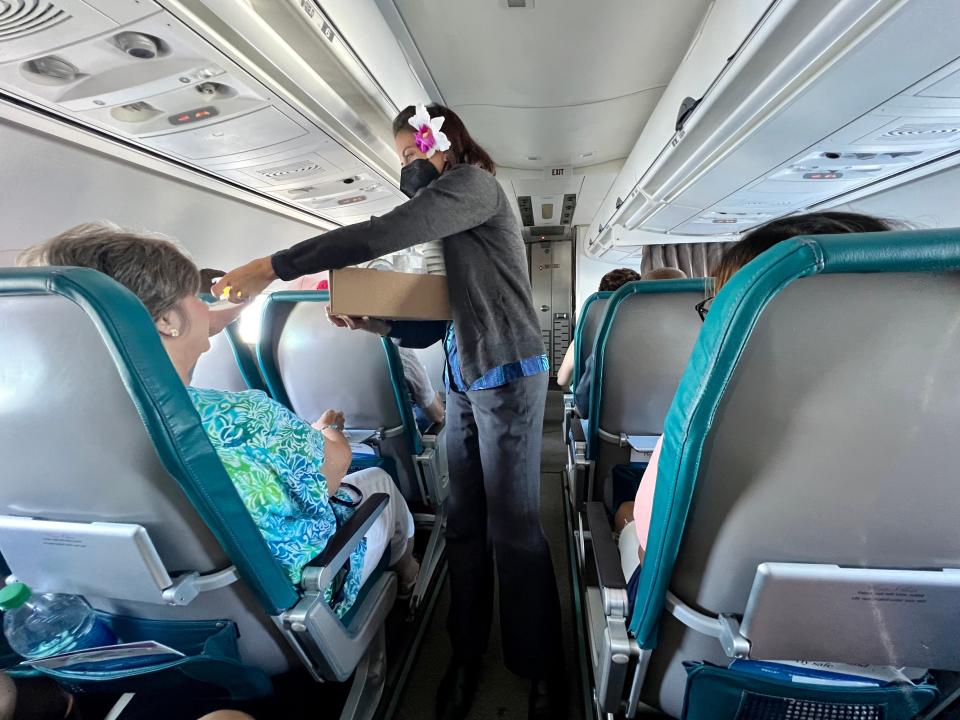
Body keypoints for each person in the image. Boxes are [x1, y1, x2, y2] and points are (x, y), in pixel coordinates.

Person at [210, 103, 564, 720]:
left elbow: (381, 232)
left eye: (411, 152)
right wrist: (377, 323)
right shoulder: (447, 218)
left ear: (441, 141)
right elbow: (436, 323)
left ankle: (536, 666)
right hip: (461, 374)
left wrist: (274, 266)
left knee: (514, 527)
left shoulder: (474, 187)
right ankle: (466, 651)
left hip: (507, 371)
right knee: (461, 520)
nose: (407, 167)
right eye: (400, 158)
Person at [22, 223, 419, 616]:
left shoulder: (41, 439)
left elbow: (178, 326)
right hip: (289, 604)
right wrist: (330, 432)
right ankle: (408, 575)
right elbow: (333, 470)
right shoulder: (241, 417)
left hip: (138, 613)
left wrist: (234, 306)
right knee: (376, 483)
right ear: (165, 320)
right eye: (192, 296)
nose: (204, 306)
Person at [614, 211, 895, 605]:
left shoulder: (705, 424)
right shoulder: (921, 422)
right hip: (901, 631)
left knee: (626, 514)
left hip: (712, 629)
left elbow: (653, 548)